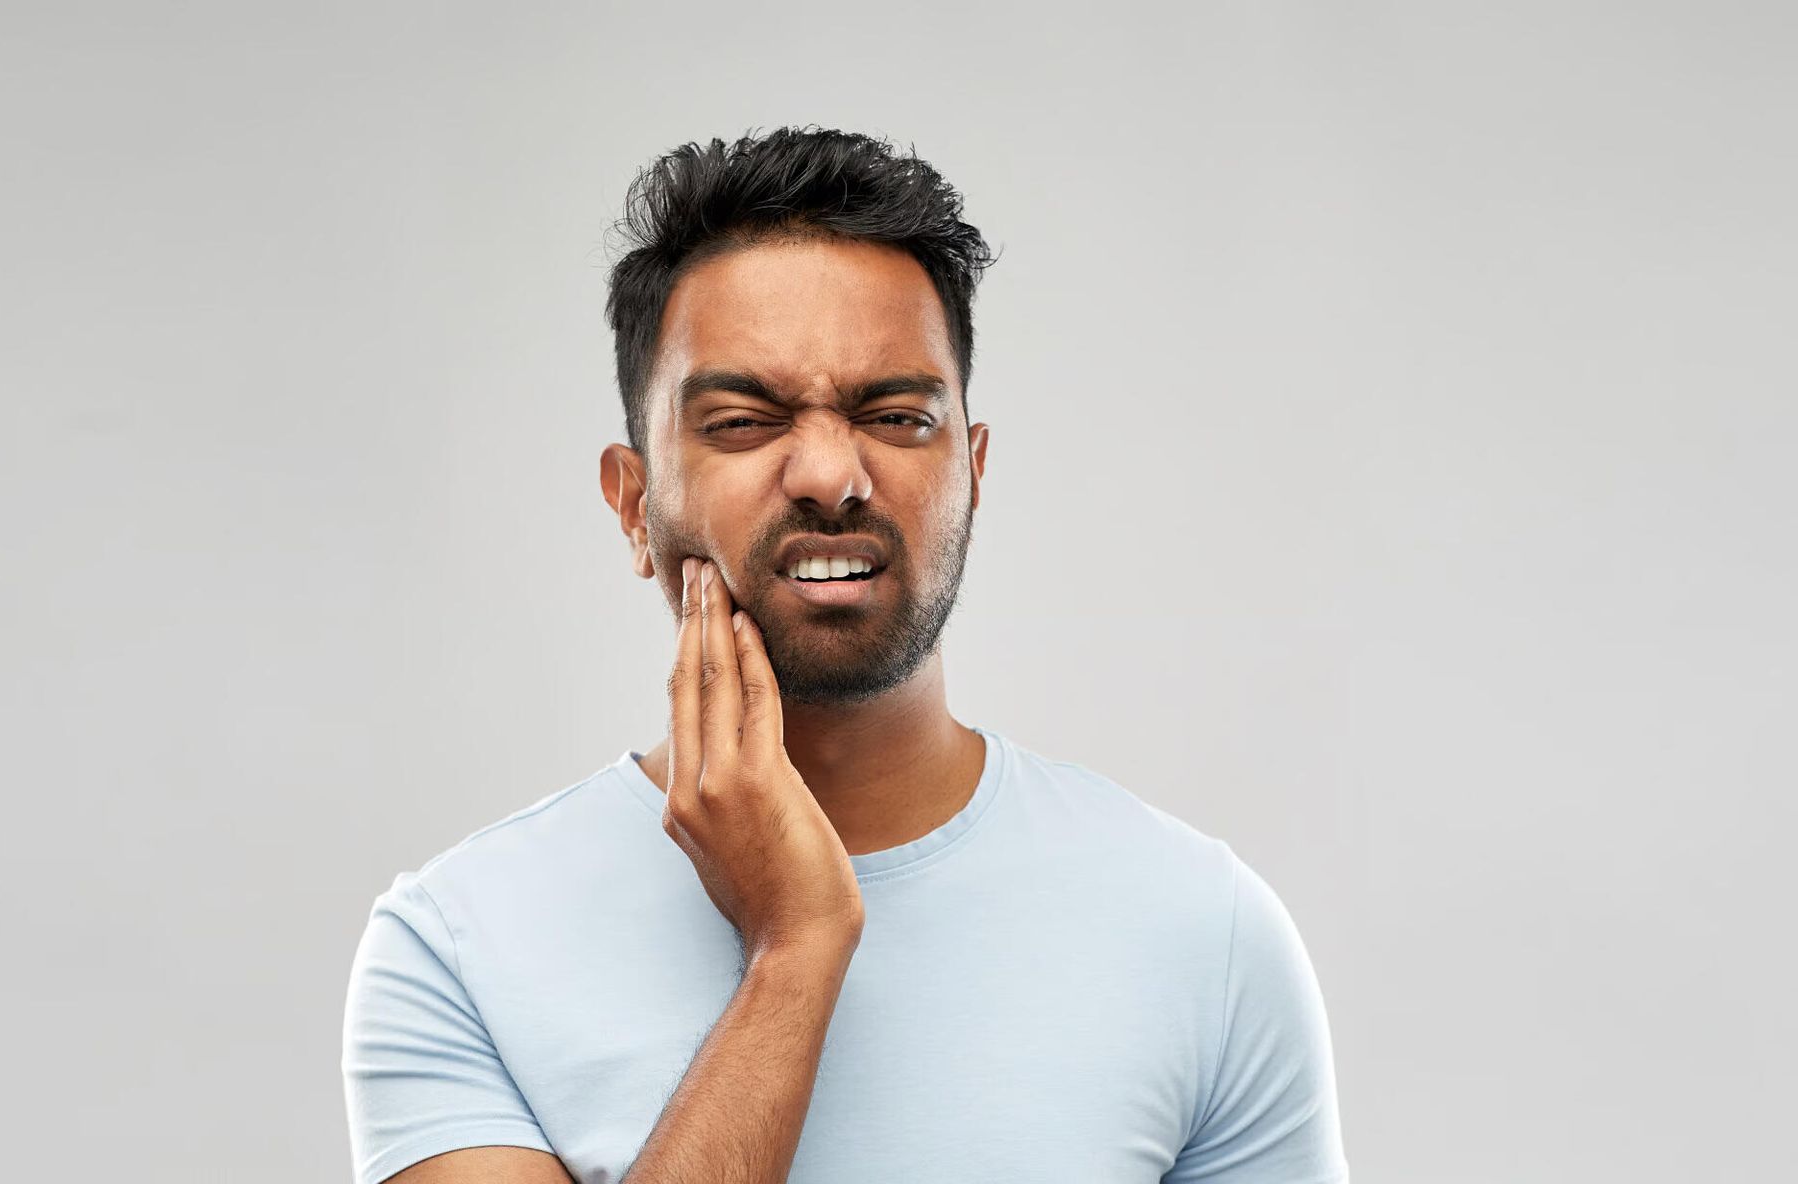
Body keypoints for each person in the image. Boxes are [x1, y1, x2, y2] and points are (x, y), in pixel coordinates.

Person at [342, 126, 1349, 1184]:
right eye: (742, 420)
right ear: (634, 505)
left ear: (973, 469)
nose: (830, 472)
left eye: (897, 415)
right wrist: (795, 950)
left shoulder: (1203, 930)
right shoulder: (458, 946)